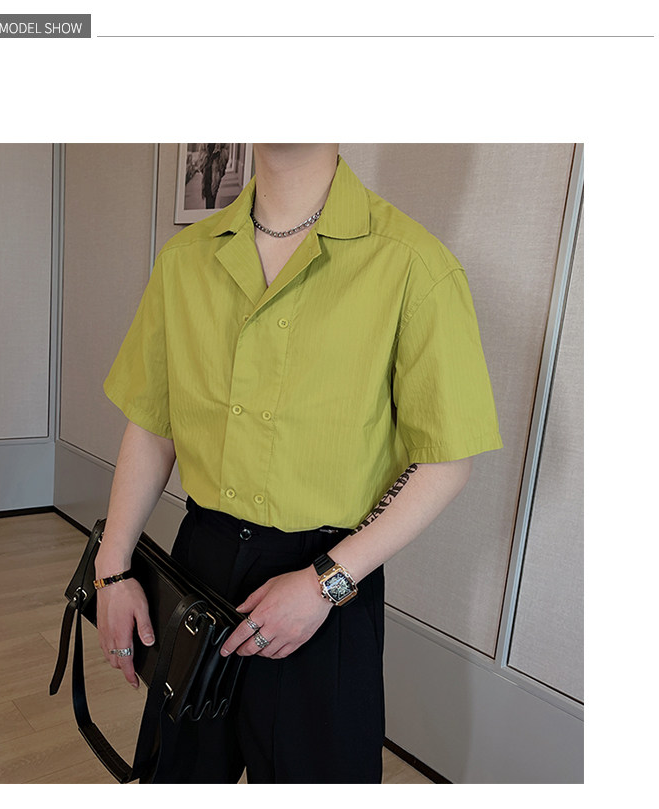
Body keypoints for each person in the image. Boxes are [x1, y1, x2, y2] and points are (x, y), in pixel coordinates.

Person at [94, 143, 503, 784]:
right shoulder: (185, 259)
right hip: (200, 567)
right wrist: (112, 567)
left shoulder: (414, 266)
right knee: (179, 776)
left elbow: (446, 462)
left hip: (330, 580)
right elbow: (153, 423)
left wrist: (324, 584)